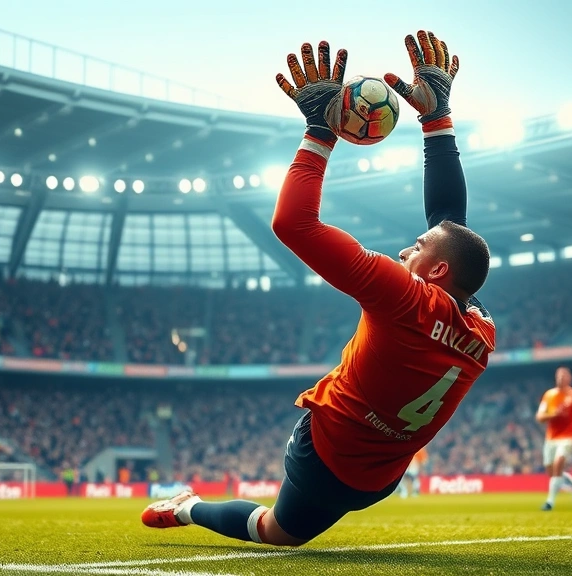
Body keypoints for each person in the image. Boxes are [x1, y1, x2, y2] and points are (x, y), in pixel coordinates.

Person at [141, 30, 495, 546]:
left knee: (276, 531)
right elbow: (452, 229)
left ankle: (189, 506)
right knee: (280, 533)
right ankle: (189, 508)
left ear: (437, 272)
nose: (404, 251)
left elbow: (294, 224)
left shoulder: (403, 295)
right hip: (380, 479)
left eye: (416, 247)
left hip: (325, 452)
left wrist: (319, 131)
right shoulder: (482, 328)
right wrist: (436, 120)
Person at [535, 366, 572, 510]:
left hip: (568, 438)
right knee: (551, 472)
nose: (561, 378)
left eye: (564, 376)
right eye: (558, 376)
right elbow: (539, 417)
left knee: (558, 464)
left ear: (569, 378)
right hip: (551, 438)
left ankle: (549, 502)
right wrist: (553, 414)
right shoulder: (549, 395)